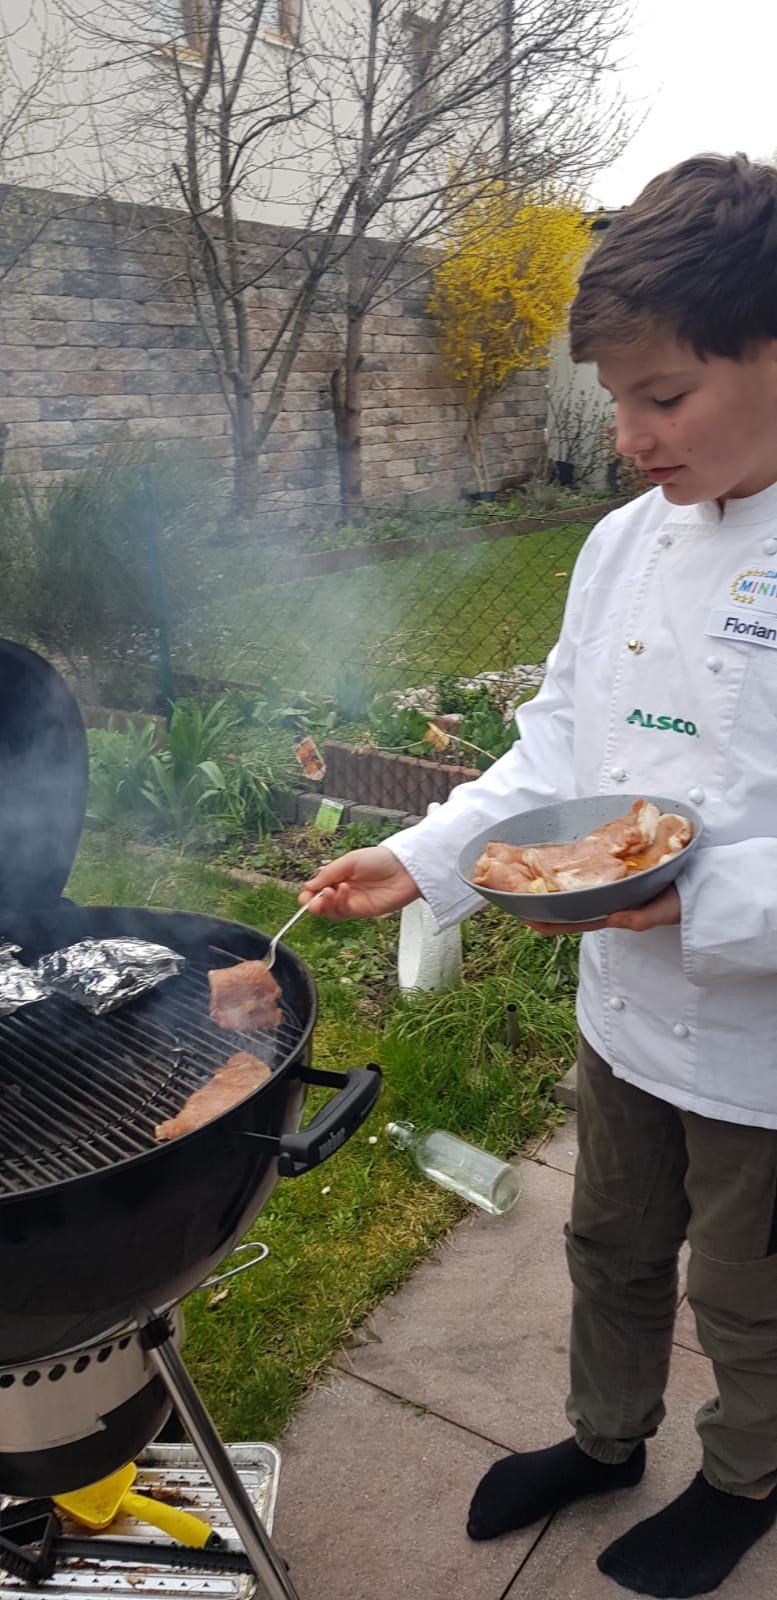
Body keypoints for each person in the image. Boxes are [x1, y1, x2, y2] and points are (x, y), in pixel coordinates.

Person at [299, 153, 777, 1598]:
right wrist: (423, 856)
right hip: (622, 1005)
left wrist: (704, 900)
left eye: (664, 396)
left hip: (763, 1045)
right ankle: (603, 1437)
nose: (628, 436)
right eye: (615, 398)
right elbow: (556, 745)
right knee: (606, 1240)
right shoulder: (620, 544)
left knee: (747, 1291)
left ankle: (747, 1476)